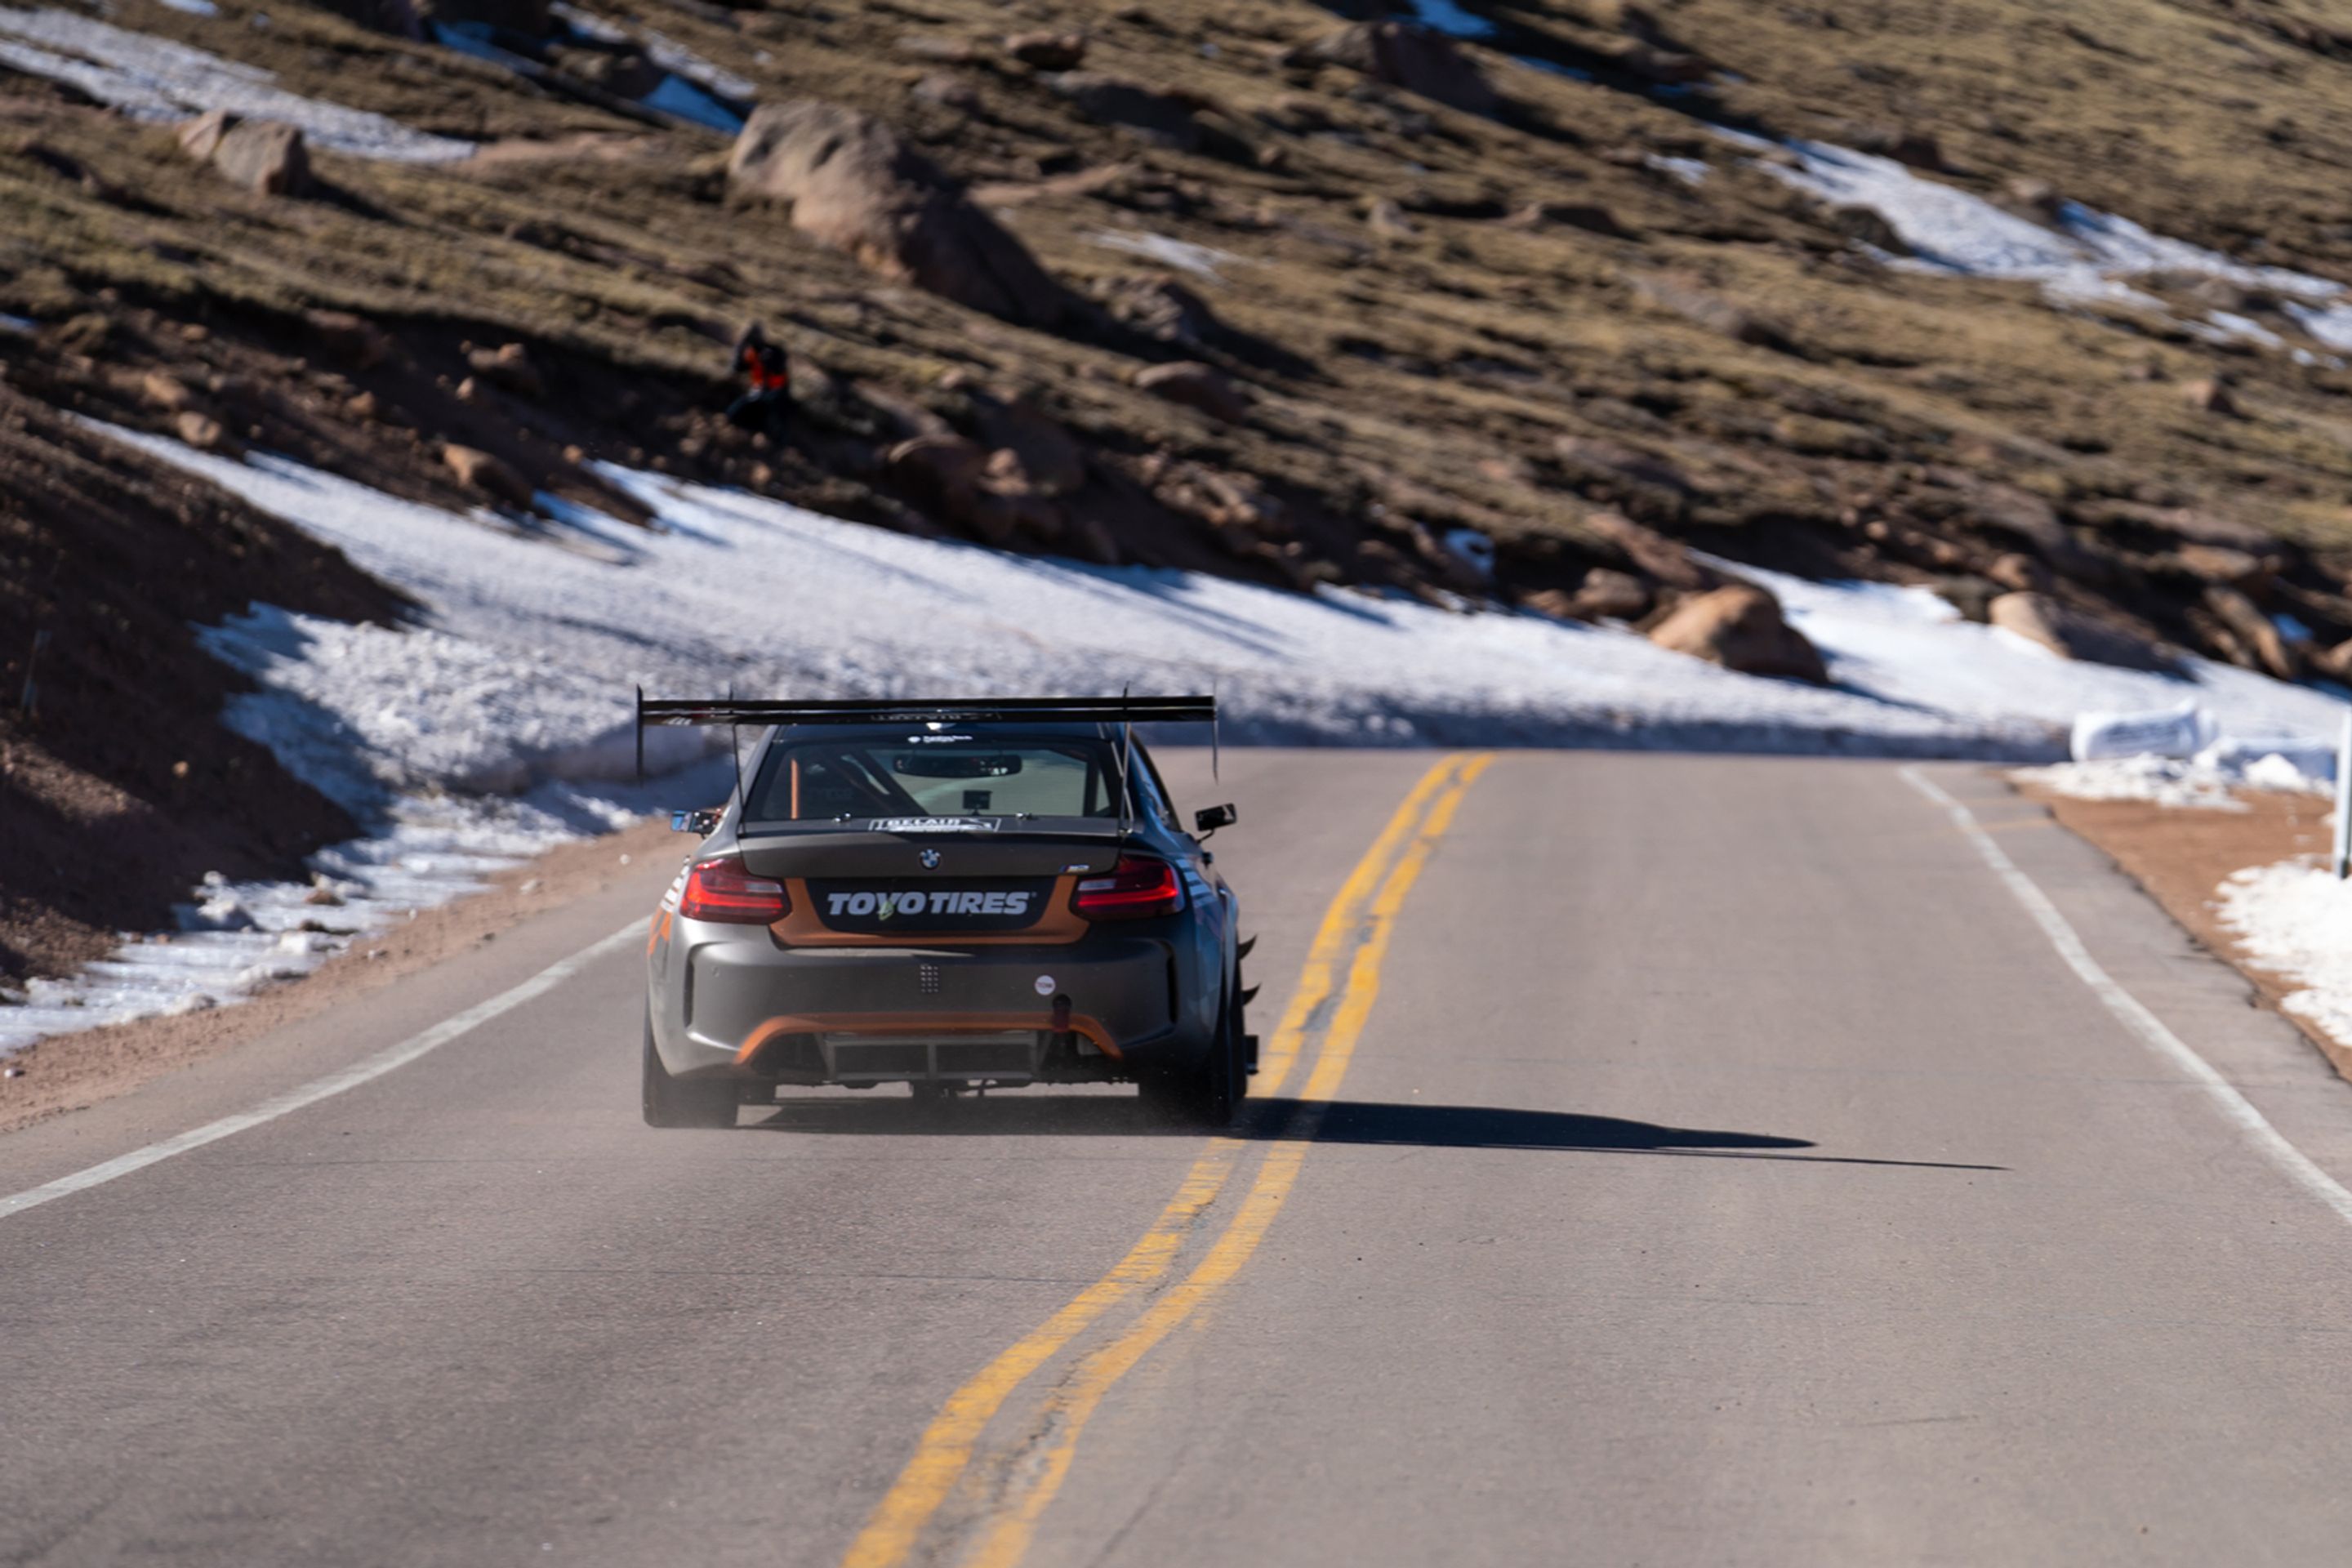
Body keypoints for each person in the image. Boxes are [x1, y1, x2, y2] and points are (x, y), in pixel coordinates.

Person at [726, 323, 791, 443]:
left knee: (774, 421)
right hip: (758, 394)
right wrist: (739, 353)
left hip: (775, 394)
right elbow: (737, 368)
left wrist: (767, 360)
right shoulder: (751, 354)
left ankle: (779, 442)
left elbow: (778, 370)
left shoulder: (773, 352)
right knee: (734, 413)